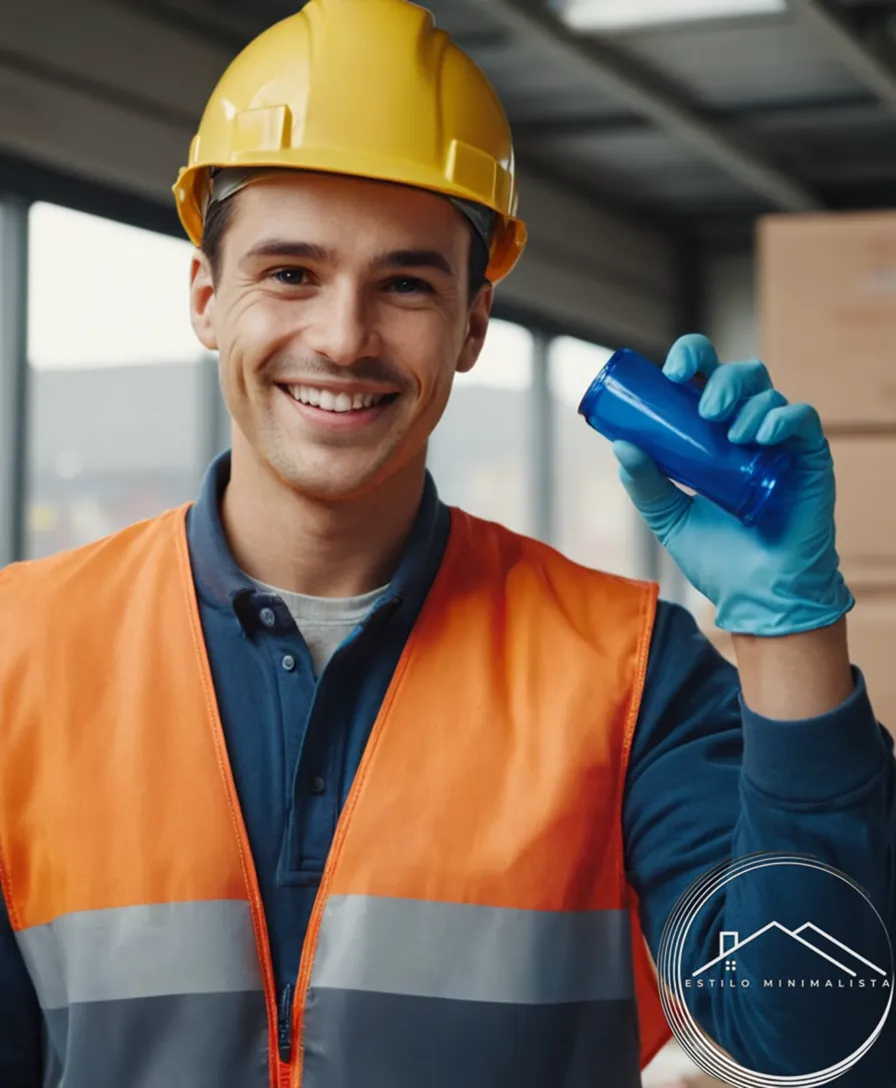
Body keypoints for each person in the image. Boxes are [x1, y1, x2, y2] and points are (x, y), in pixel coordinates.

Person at [0, 1, 893, 1085]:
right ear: (205, 296)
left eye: (406, 283)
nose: (342, 336)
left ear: (473, 319)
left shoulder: (626, 676)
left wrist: (789, 631)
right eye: (290, 272)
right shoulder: (18, 653)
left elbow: (810, 1048)